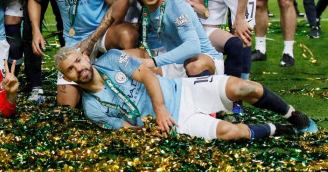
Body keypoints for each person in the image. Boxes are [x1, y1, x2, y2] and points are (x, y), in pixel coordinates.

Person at [55, 45, 318, 139]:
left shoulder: (112, 59)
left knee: (244, 87)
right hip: (175, 124)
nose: (79, 69)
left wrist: (159, 109)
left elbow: (147, 75)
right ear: (67, 78)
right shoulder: (92, 108)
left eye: (78, 61)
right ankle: (280, 129)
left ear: (85, 56)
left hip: (183, 90)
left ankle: (294, 116)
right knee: (231, 132)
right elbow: (125, 128)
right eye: (71, 70)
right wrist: (148, 131)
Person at [122, 0, 223, 78]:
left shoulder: (176, 7)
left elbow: (193, 47)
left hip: (201, 58)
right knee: (121, 58)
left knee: (194, 66)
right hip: (174, 61)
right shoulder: (147, 7)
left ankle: (209, 88)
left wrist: (154, 61)